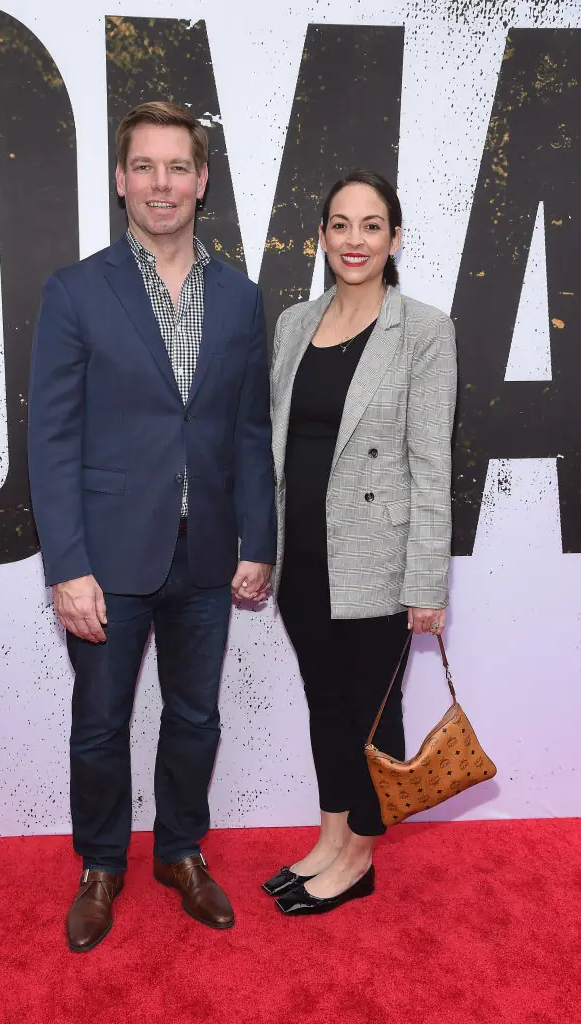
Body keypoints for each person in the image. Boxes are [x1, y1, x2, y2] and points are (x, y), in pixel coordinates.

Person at [28, 101, 275, 951]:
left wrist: (259, 542)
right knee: (99, 723)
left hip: (206, 554)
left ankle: (180, 853)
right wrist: (67, 565)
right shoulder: (76, 290)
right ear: (122, 180)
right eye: (145, 167)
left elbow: (249, 432)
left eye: (178, 167)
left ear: (202, 181)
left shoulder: (242, 299)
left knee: (195, 718)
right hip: (106, 558)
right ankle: (101, 864)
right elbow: (52, 439)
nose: (161, 184)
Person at [263, 169, 457, 916]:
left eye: (371, 225)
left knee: (373, 716)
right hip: (302, 556)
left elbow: (431, 463)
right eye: (340, 224)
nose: (354, 239)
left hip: (378, 558)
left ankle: (360, 860)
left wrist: (426, 584)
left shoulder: (425, 331)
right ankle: (329, 839)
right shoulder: (292, 324)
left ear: (395, 238)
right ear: (321, 236)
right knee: (324, 704)